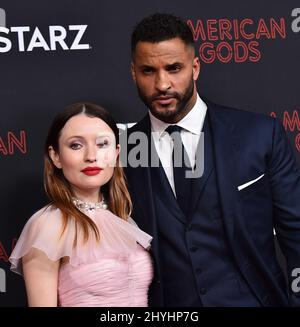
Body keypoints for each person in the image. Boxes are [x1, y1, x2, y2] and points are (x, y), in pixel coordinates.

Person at [124, 13, 300, 306]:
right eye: (148, 71)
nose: (162, 84)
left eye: (174, 68)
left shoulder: (258, 134)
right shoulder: (124, 150)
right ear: (133, 73)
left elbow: (295, 229)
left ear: (195, 68)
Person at [9, 102, 153, 307]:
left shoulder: (123, 219)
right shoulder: (47, 225)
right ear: (56, 156)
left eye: (102, 144)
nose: (91, 156)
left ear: (116, 152)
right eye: (76, 145)